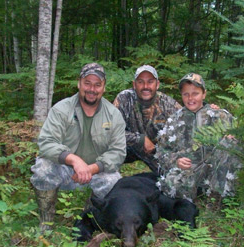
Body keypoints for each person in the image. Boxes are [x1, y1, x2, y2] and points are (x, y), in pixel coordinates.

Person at [30, 62, 126, 232]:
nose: (92, 89)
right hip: (65, 169)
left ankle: (89, 215)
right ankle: (46, 222)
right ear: (79, 83)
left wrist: (92, 168)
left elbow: (118, 152)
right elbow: (46, 143)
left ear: (104, 87)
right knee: (42, 169)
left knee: (115, 182)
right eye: (87, 83)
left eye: (97, 84)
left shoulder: (113, 114)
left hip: (96, 171)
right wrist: (74, 160)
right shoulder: (61, 109)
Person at [154, 73, 242, 203]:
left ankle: (218, 197)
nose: (190, 98)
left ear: (204, 94)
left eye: (195, 93)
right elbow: (161, 152)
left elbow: (242, 136)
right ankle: (200, 192)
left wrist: (232, 139)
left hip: (216, 170)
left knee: (230, 143)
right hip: (190, 171)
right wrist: (176, 160)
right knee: (171, 184)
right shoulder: (174, 120)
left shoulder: (220, 116)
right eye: (186, 94)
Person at [113, 65, 182, 174]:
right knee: (107, 151)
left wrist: (206, 109)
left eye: (150, 82)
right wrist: (140, 139)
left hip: (155, 151)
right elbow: (112, 131)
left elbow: (187, 119)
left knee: (172, 177)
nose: (145, 86)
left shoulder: (167, 104)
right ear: (134, 85)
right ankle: (103, 181)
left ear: (157, 85)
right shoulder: (124, 98)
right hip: (128, 146)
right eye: (140, 82)